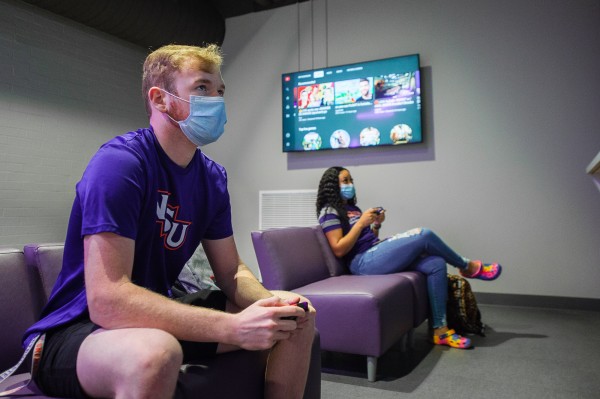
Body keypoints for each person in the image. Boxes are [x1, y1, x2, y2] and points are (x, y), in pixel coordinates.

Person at [21, 44, 315, 399]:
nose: (217, 101)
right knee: (156, 354)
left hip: (155, 316)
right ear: (161, 100)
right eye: (202, 88)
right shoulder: (120, 163)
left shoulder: (212, 178)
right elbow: (109, 299)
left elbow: (231, 273)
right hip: (77, 332)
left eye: (220, 91)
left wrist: (269, 306)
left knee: (297, 315)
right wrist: (233, 327)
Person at [316, 166, 501, 349]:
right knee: (424, 234)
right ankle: (467, 266)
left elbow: (364, 240)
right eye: (345, 181)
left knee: (435, 263)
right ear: (333, 186)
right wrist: (361, 223)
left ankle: (440, 330)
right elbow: (339, 249)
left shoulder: (352, 208)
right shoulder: (329, 211)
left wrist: (375, 225)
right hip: (361, 263)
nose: (351, 184)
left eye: (351, 180)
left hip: (372, 252)